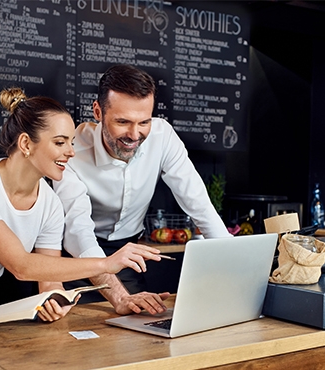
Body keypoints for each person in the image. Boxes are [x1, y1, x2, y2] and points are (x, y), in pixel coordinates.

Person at [0, 88, 162, 319]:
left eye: (71, 143)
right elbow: (21, 265)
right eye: (60, 142)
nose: (71, 152)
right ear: (26, 143)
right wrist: (107, 263)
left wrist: (54, 299)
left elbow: (47, 280)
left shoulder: (50, 203)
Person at [53, 64, 231, 316]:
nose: (134, 134)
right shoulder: (72, 152)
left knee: (135, 329)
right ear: (98, 112)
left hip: (128, 253)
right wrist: (118, 297)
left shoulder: (162, 136)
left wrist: (234, 264)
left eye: (144, 122)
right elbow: (77, 231)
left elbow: (198, 202)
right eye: (122, 122)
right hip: (75, 257)